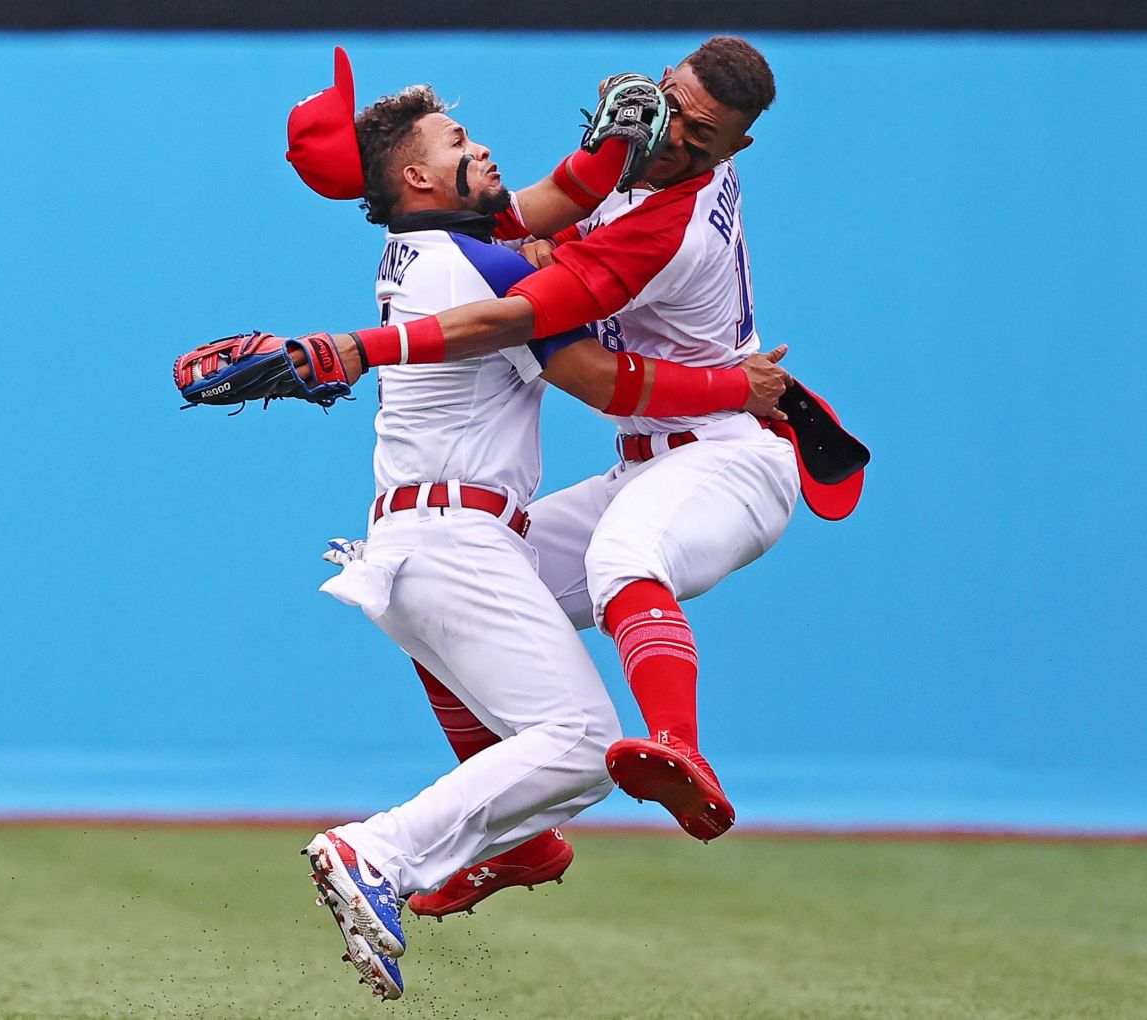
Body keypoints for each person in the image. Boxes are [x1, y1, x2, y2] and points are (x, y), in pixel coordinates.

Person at [271, 50, 791, 1000]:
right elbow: (587, 368)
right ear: (421, 179)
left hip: (434, 538)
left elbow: (550, 199)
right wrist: (737, 385)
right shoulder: (484, 259)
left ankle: (510, 843)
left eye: (691, 125)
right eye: (460, 142)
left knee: (528, 659)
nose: (485, 148)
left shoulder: (438, 241)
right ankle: (376, 853)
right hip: (462, 534)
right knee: (579, 742)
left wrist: (599, 156)